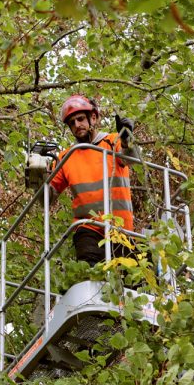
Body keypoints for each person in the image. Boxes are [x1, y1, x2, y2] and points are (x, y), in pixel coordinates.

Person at [49, 95, 137, 266]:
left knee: (129, 283)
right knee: (89, 274)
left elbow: (131, 158)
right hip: (87, 228)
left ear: (93, 117)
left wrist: (126, 137)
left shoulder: (112, 142)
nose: (77, 125)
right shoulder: (65, 157)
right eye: (72, 123)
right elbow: (46, 197)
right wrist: (37, 178)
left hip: (121, 228)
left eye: (81, 119)